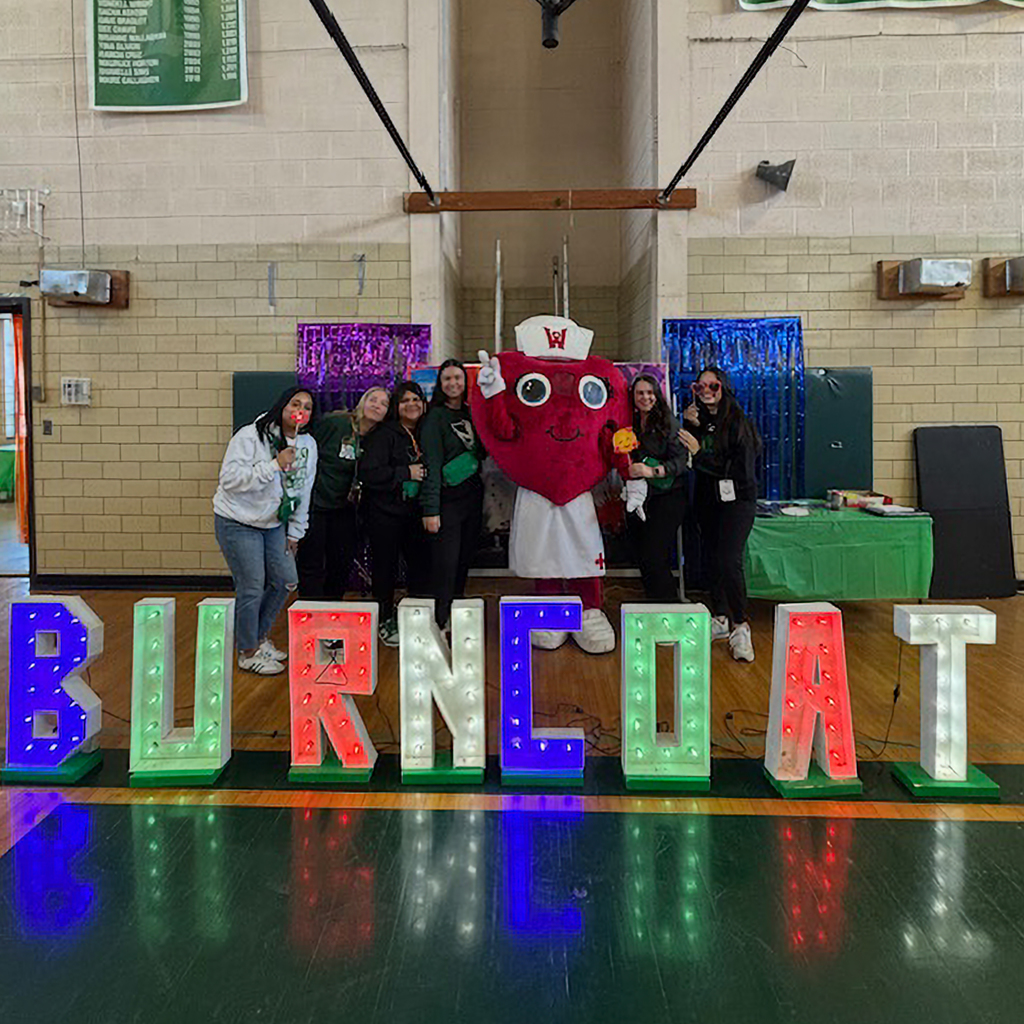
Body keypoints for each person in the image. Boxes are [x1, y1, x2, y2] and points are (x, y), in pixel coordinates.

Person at [213, 387, 318, 675]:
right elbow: (229, 480)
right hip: (237, 521)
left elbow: (303, 490)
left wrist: (296, 531)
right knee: (252, 584)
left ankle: (258, 638)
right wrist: (272, 465)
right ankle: (247, 652)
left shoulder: (308, 444)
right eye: (295, 403)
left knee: (286, 579)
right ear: (282, 406)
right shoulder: (251, 435)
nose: (301, 410)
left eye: (307, 407)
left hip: (273, 523)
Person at [679, 366, 760, 663]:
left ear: (724, 387)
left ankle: (741, 624)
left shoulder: (738, 423)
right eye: (699, 387)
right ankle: (720, 617)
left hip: (737, 501)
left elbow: (737, 471)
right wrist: (693, 427)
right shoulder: (701, 421)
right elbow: (697, 460)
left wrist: (699, 451)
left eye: (712, 386)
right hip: (708, 499)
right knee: (712, 558)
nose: (706, 392)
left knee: (729, 559)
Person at [297, 386, 389, 600]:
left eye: (384, 403)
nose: (377, 405)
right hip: (316, 504)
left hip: (346, 508)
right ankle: (310, 614)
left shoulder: (380, 438)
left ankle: (331, 609)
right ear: (362, 402)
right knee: (312, 562)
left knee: (341, 563)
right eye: (372, 399)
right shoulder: (337, 424)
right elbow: (305, 446)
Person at [359, 381, 431, 646]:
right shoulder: (384, 434)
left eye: (416, 399)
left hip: (414, 513)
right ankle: (383, 621)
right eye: (404, 401)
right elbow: (369, 473)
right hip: (384, 514)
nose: (411, 404)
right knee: (384, 572)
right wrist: (405, 472)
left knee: (420, 569)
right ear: (396, 407)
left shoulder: (426, 430)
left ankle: (416, 619)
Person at [420, 359, 484, 630]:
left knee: (463, 560)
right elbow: (431, 465)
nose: (453, 383)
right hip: (446, 502)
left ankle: (456, 612)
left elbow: (482, 452)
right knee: (445, 564)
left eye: (457, 378)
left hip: (472, 499)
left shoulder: (471, 413)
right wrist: (430, 509)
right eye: (447, 379)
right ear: (440, 384)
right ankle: (441, 618)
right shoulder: (435, 417)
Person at [625, 374, 689, 602]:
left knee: (655, 555)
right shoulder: (629, 422)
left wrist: (652, 471)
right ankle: (653, 605)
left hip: (668, 496)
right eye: (640, 393)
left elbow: (682, 462)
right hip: (641, 497)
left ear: (657, 394)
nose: (645, 397)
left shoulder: (668, 422)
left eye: (649, 392)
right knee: (642, 555)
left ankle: (670, 608)